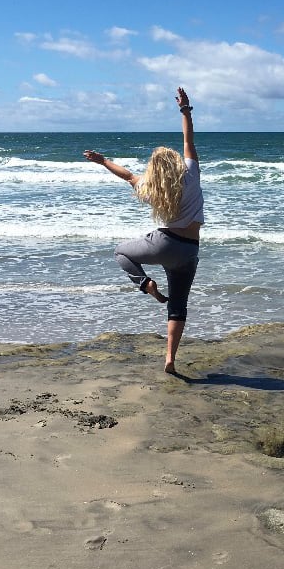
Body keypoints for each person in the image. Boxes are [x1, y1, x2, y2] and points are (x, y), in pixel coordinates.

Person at [83, 87, 204, 374]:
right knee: (178, 306)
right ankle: (170, 359)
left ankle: (145, 284)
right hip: (189, 250)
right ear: (176, 163)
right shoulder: (191, 173)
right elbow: (189, 139)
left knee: (121, 252)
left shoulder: (151, 189)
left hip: (162, 244)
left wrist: (102, 162)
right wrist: (185, 109)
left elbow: (127, 175)